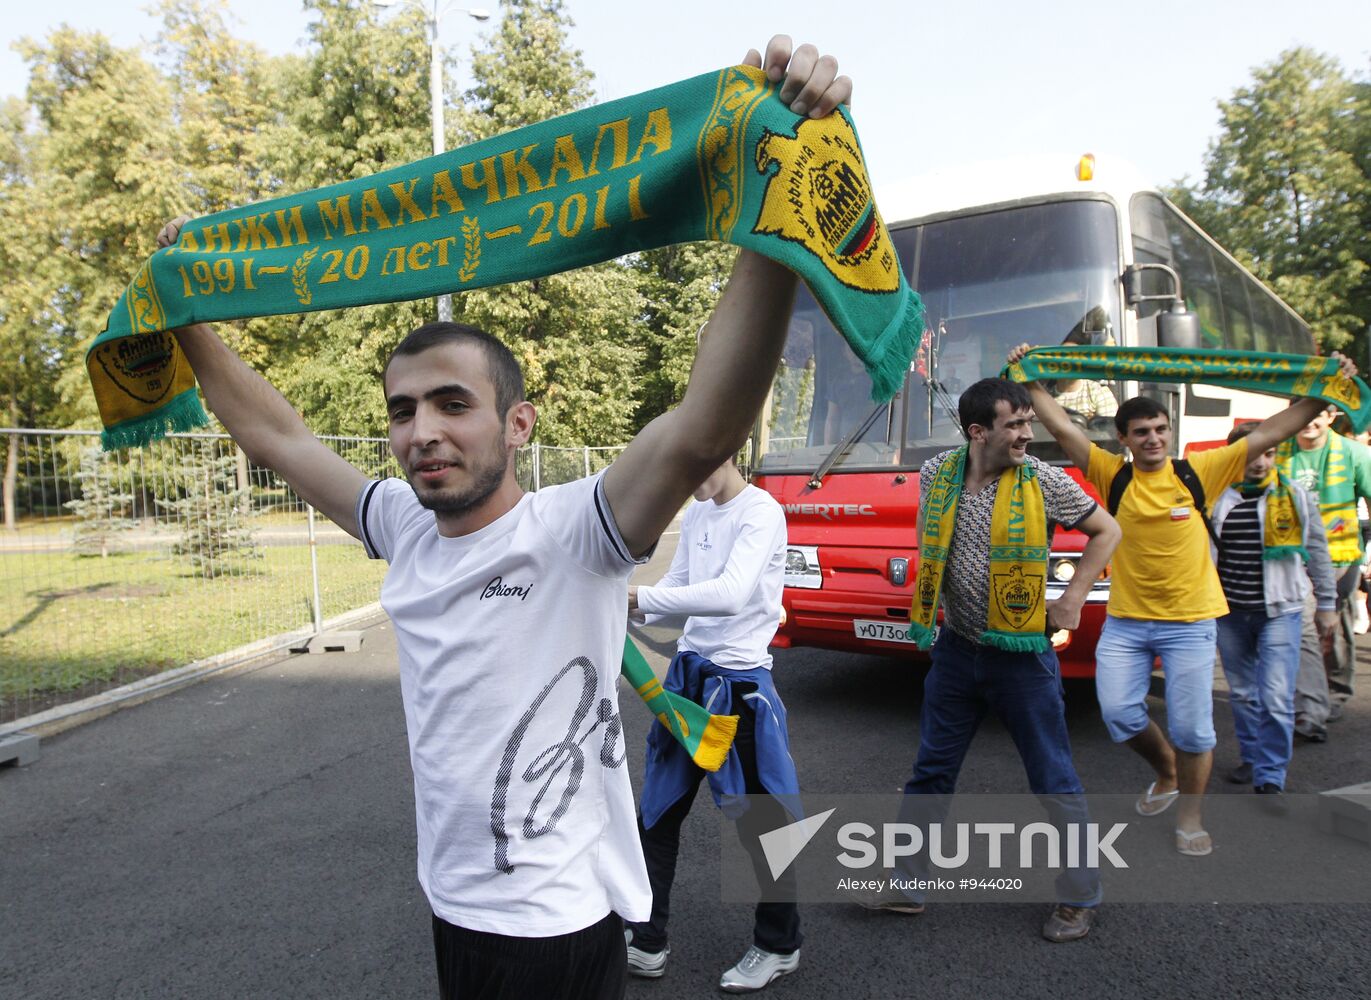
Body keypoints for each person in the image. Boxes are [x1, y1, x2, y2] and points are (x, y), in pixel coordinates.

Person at [157, 36, 851, 1000]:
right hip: (452, 902)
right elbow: (277, 437)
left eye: (451, 404)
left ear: (517, 424)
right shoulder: (400, 524)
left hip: (551, 923)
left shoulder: (577, 529)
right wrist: (185, 313)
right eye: (402, 411)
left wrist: (772, 214)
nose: (421, 433)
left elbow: (702, 426)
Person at [1010, 342, 1358, 858]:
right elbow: (1062, 428)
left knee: (1194, 729)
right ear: (1124, 440)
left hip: (1191, 623)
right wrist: (1028, 376)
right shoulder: (1114, 474)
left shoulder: (1202, 471)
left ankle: (1190, 816)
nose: (1153, 439)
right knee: (1120, 716)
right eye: (1141, 432)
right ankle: (1167, 772)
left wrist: (1328, 388)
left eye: (1160, 430)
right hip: (1127, 623)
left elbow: (1275, 430)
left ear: (1169, 434)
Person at [863, 378, 1121, 942]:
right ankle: (906, 886)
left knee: (1052, 778)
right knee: (930, 773)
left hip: (1022, 659)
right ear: (979, 432)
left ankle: (1080, 896)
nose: (1028, 434)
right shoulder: (937, 474)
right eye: (1015, 425)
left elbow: (1107, 530)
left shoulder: (1044, 482)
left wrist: (1073, 597)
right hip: (956, 652)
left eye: (1029, 422)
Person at [624, 456, 802, 993]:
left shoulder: (761, 512)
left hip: (739, 692)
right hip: (686, 687)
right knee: (657, 814)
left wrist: (637, 597)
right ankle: (648, 941)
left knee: (763, 828)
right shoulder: (701, 511)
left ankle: (779, 945)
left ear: (726, 447)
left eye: (694, 461)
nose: (684, 480)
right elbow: (677, 586)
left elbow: (729, 595)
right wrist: (621, 603)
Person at [1211, 422, 1336, 806]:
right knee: (1245, 694)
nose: (1261, 462)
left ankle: (1270, 775)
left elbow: (1316, 550)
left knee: (1277, 697)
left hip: (1281, 610)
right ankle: (1251, 757)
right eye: (1252, 455)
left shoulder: (1294, 495)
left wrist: (1328, 605)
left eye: (1268, 453)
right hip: (1229, 612)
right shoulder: (1215, 497)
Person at [1280, 406, 1371, 741]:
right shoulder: (1281, 449)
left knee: (1334, 625)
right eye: (1305, 414)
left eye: (1320, 414)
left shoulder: (1354, 454)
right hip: (1288, 555)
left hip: (1339, 555)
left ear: (1332, 417)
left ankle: (1336, 692)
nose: (1311, 422)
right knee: (1298, 629)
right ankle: (1300, 698)